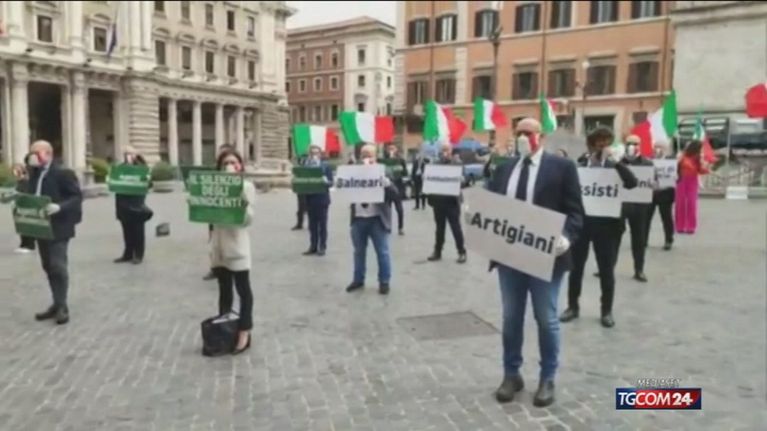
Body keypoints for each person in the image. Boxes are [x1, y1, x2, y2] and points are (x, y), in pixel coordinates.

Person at [487, 118, 584, 407]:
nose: (523, 138)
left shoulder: (562, 167)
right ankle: (511, 374)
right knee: (511, 317)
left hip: (547, 257)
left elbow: (576, 212)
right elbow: (490, 205)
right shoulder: (504, 169)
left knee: (546, 318)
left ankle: (547, 377)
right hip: (510, 256)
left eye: (528, 133)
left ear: (540, 136)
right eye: (519, 133)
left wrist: (566, 237)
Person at [560, 127, 637, 328]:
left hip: (608, 226)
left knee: (606, 269)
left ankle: (606, 311)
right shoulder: (581, 164)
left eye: (606, 142)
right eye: (598, 142)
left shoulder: (616, 165)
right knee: (576, 268)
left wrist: (616, 163)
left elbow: (632, 183)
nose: (602, 146)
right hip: (583, 225)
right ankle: (572, 306)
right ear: (591, 144)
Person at [27, 140, 83, 325]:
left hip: (59, 226)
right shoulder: (34, 173)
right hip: (41, 226)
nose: (33, 156)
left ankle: (62, 307)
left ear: (47, 153)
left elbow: (76, 196)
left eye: (36, 153)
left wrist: (59, 207)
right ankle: (56, 302)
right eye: (31, 153)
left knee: (58, 265)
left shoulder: (63, 173)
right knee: (48, 266)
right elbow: (32, 195)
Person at [208, 148, 256, 354]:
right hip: (218, 246)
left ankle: (245, 331)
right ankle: (225, 329)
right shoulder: (212, 187)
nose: (229, 166)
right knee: (224, 290)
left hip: (237, 245)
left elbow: (248, 219)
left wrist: (238, 195)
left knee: (243, 289)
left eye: (233, 162)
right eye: (225, 163)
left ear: (240, 166)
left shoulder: (246, 186)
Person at [345, 144, 398, 295]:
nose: (366, 158)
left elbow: (395, 194)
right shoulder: (354, 171)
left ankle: (384, 281)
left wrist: (387, 184)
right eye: (364, 155)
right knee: (358, 252)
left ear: (376, 156)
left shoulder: (384, 171)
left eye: (369, 155)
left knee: (382, 252)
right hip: (358, 218)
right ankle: (358, 279)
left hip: (377, 219)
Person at [616, 136, 653, 282]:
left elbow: (653, 181)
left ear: (640, 145)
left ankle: (639, 269)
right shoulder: (618, 162)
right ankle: (607, 267)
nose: (632, 146)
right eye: (629, 143)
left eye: (635, 144)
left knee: (639, 238)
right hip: (620, 205)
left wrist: (653, 186)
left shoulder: (647, 163)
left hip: (639, 206)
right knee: (614, 237)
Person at [427, 143, 467, 264]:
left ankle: (461, 251)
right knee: (439, 228)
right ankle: (437, 251)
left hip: (452, 202)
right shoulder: (435, 164)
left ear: (451, 150)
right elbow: (431, 179)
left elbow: (464, 181)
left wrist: (462, 180)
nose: (445, 152)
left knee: (456, 228)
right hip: (439, 201)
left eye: (447, 150)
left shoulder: (458, 164)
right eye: (443, 150)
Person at [113, 147, 151, 265]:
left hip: (136, 204)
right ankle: (128, 253)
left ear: (136, 155)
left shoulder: (141, 168)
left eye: (130, 153)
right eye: (126, 154)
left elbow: (148, 182)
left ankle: (138, 254)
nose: (128, 156)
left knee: (138, 231)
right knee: (127, 231)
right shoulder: (120, 168)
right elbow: (114, 181)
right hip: (123, 204)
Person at [203, 144, 236, 280]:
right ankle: (215, 268)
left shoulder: (237, 176)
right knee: (214, 243)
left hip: (230, 217)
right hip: (215, 215)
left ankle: (230, 267)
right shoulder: (214, 174)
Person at [303, 145, 333, 256]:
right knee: (312, 225)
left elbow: (331, 183)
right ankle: (313, 246)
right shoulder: (306, 166)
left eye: (316, 153)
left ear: (320, 154)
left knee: (322, 225)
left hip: (322, 199)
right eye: (312, 153)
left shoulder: (325, 166)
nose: (314, 155)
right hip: (310, 198)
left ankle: (322, 247)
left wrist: (326, 182)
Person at [675, 140, 709, 234]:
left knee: (692, 203)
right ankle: (679, 226)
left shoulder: (698, 158)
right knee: (680, 203)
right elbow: (676, 166)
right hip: (681, 180)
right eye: (700, 148)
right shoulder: (683, 156)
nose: (701, 150)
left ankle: (691, 226)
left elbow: (701, 171)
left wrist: (706, 166)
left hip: (692, 181)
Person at [647, 143, 675, 250]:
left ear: (665, 149)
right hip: (651, 193)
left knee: (666, 218)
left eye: (660, 147)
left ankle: (668, 240)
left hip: (665, 193)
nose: (657, 150)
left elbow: (678, 176)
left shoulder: (670, 161)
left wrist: (676, 177)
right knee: (646, 218)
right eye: (655, 147)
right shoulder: (648, 161)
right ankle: (643, 239)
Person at [13, 154, 36, 254]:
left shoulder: (32, 172)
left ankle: (29, 245)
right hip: (21, 201)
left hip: (28, 201)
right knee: (22, 223)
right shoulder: (27, 171)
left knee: (28, 223)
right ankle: (24, 244)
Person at [384, 144, 406, 235]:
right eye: (389, 149)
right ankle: (387, 226)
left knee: (400, 209)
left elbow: (405, 173)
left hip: (397, 187)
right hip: (387, 188)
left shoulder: (401, 160)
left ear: (396, 150)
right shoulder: (384, 161)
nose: (391, 150)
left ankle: (400, 227)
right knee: (387, 209)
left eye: (393, 148)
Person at [291, 153, 308, 230]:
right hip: (301, 189)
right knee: (301, 208)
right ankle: (299, 224)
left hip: (309, 189)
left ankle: (311, 224)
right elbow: (295, 177)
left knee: (309, 207)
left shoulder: (310, 167)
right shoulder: (298, 168)